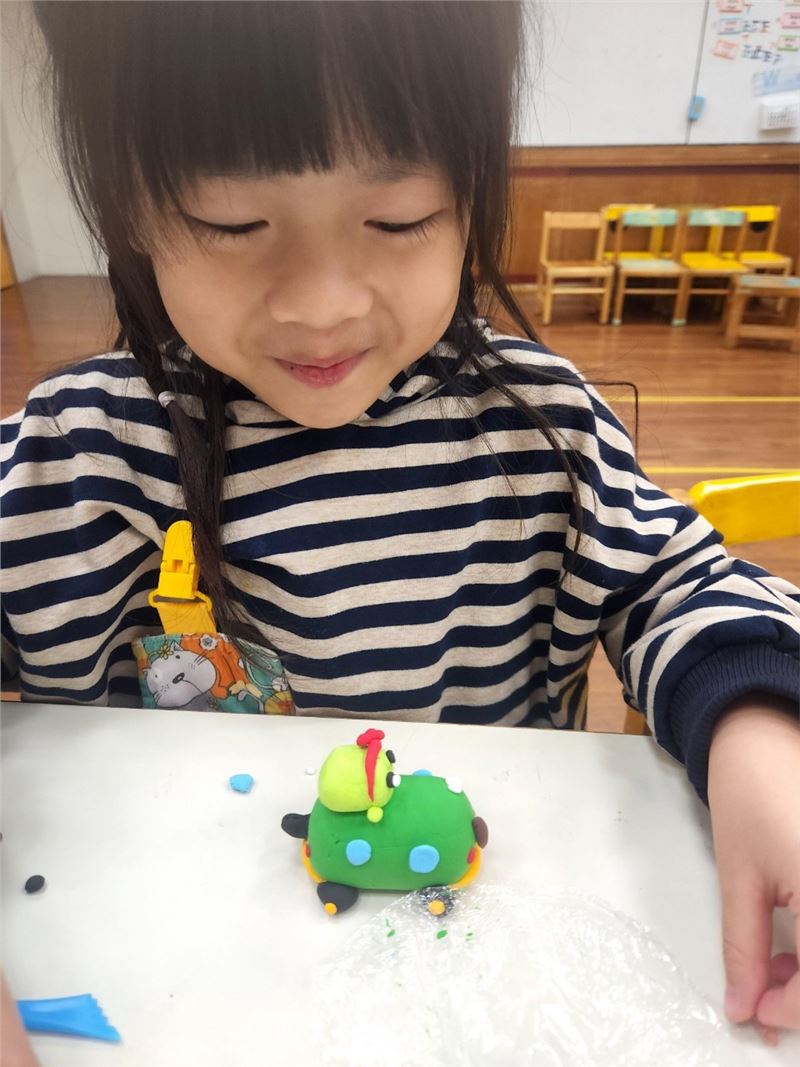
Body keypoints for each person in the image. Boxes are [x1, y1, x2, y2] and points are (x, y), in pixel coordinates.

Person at [1, 0, 798, 1041]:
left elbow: (678, 585)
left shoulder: (540, 430)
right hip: (168, 992)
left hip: (485, 979)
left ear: (471, 194)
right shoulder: (76, 457)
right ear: (129, 206)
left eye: (400, 215)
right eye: (228, 220)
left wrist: (758, 733)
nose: (322, 301)